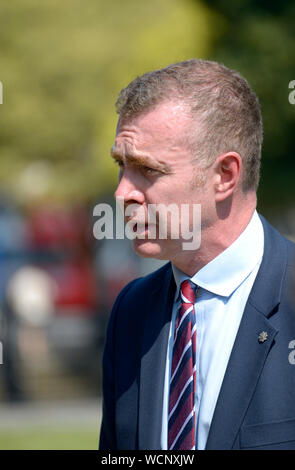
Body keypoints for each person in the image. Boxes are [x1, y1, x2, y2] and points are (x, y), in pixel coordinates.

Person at [99, 59, 295, 450]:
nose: (123, 194)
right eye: (122, 165)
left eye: (147, 170)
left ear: (224, 175)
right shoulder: (132, 312)